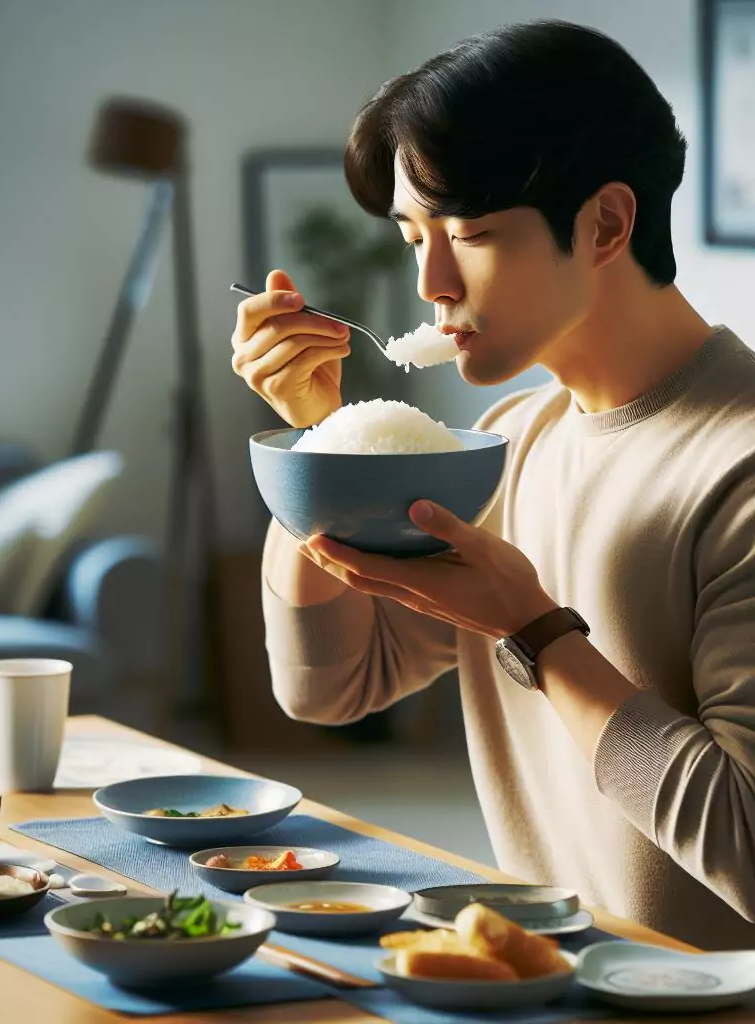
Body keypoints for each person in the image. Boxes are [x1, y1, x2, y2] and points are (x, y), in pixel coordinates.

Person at [229, 20, 755, 950]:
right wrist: (323, 442)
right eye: (411, 234)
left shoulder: (739, 465)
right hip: (545, 988)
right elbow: (332, 688)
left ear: (605, 224)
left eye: (469, 234)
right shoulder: (507, 442)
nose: (431, 281)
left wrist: (537, 632)